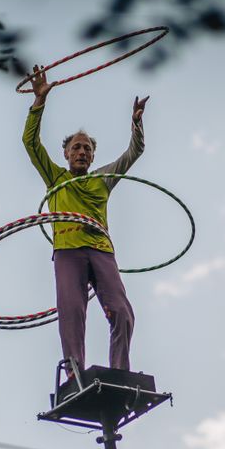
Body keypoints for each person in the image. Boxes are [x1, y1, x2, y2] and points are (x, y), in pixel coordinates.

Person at [23, 64, 149, 377]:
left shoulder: (102, 179)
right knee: (72, 311)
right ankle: (75, 376)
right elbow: (30, 143)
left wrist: (136, 124)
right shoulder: (55, 178)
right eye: (76, 147)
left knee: (122, 312)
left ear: (93, 157)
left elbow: (134, 152)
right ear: (65, 153)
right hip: (67, 250)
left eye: (87, 148)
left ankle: (120, 371)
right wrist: (39, 102)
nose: (82, 152)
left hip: (101, 249)